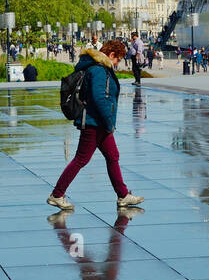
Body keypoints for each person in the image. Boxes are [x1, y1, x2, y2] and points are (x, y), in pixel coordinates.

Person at [47, 39, 145, 210]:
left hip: (98, 122)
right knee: (81, 159)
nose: (117, 63)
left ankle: (123, 195)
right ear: (112, 55)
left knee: (112, 156)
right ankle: (57, 194)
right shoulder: (99, 70)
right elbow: (100, 98)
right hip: (95, 122)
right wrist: (109, 122)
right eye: (118, 59)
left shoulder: (96, 67)